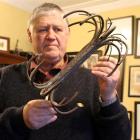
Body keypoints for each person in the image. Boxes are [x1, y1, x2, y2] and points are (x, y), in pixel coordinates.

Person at [0, 2, 131, 140]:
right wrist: (19, 119)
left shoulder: (93, 80)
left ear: (68, 33)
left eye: (58, 29)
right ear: (29, 35)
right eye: (43, 29)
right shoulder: (4, 76)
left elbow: (120, 137)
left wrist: (109, 98)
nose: (51, 36)